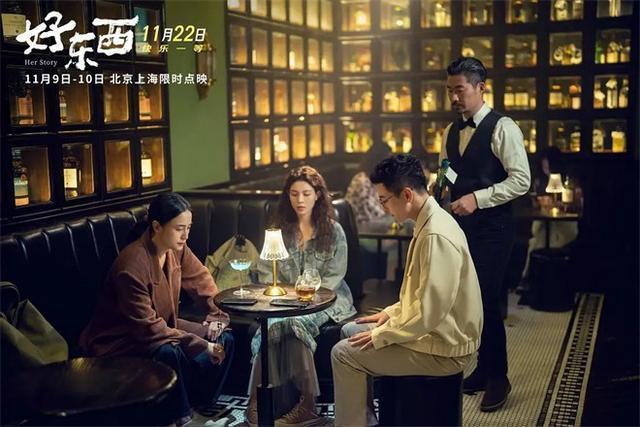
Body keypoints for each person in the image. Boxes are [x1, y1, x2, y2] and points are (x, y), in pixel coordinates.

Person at [331, 154, 483, 426]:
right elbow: (421, 297)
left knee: (342, 354)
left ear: (407, 195)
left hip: (445, 348)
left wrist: (383, 334)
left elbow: (429, 314)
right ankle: (364, 419)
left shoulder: (435, 234)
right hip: (434, 332)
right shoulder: (427, 220)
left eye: (384, 200)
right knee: (350, 331)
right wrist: (390, 314)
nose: (383, 208)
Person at [80, 193, 234, 426]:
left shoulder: (177, 248)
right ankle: (182, 416)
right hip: (122, 341)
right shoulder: (132, 265)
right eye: (179, 228)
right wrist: (204, 345)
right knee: (168, 351)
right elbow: (148, 330)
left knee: (225, 337)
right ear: (157, 227)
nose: (186, 235)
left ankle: (200, 406)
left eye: (189, 228)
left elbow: (203, 283)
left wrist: (217, 318)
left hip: (164, 328)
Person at [439, 57, 531, 411]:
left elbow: (521, 180)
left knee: (488, 299)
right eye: (449, 90)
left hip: (495, 228)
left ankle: (499, 377)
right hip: (460, 229)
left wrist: (477, 199)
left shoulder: (503, 128)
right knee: (468, 301)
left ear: (481, 87)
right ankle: (483, 367)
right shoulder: (450, 131)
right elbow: (448, 171)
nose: (454, 97)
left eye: (460, 90)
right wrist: (438, 192)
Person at [245, 166, 357, 426]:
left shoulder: (334, 230)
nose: (300, 200)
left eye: (306, 193)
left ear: (317, 195)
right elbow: (265, 271)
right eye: (294, 194)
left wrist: (302, 299)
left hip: (328, 300)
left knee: (295, 323)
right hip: (286, 300)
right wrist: (288, 297)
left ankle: (308, 404)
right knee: (270, 327)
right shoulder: (279, 230)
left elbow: (333, 279)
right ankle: (259, 401)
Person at [522, 147, 581, 279]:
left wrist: (560, 203)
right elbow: (535, 203)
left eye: (548, 167)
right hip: (546, 223)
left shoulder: (568, 182)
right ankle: (532, 280)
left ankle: (530, 279)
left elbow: (576, 203)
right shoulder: (540, 181)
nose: (546, 170)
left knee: (537, 243)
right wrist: (539, 201)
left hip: (564, 225)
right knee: (536, 240)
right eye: (544, 167)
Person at [345, 143, 398, 280]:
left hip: (374, 229)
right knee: (399, 242)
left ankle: (393, 281)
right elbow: (376, 214)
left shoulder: (373, 180)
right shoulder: (362, 181)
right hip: (364, 234)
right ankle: (390, 282)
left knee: (405, 230)